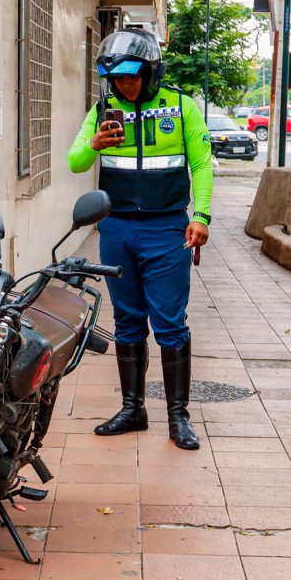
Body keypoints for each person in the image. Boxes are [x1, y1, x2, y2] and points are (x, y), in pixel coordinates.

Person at [68, 28, 213, 450]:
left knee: (169, 322)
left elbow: (202, 164)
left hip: (167, 229)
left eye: (132, 76)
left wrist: (201, 215)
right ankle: (133, 409)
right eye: (116, 78)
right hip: (116, 229)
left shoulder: (181, 106)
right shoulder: (102, 111)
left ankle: (178, 417)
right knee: (127, 320)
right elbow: (75, 162)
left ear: (151, 73)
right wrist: (94, 143)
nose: (124, 85)